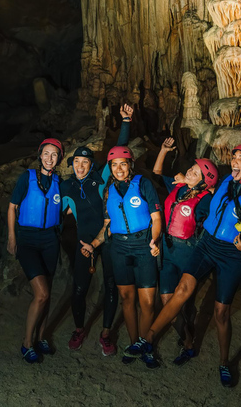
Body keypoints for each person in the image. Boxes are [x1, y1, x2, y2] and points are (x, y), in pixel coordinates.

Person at [141, 144, 241, 386]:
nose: (234, 161)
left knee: (221, 313)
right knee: (182, 290)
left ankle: (224, 363)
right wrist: (183, 178)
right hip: (207, 244)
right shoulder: (224, 182)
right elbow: (202, 183)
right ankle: (148, 338)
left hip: (232, 254)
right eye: (234, 157)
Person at [61, 104, 134, 356]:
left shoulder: (101, 178)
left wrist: (125, 122)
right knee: (80, 288)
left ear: (91, 164)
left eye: (85, 162)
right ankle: (79, 329)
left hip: (109, 240)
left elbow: (117, 153)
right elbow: (56, 210)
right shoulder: (67, 187)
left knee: (111, 286)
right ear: (72, 165)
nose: (80, 166)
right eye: (76, 162)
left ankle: (105, 334)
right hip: (84, 243)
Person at [81, 146, 162, 368]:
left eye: (123, 164)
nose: (118, 169)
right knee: (127, 298)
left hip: (143, 246)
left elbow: (156, 218)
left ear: (130, 164)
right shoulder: (109, 191)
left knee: (147, 302)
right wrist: (95, 244)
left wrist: (154, 241)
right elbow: (108, 225)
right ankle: (134, 343)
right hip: (119, 249)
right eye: (114, 165)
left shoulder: (143, 184)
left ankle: (147, 346)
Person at [151, 137, 218, 366]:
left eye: (195, 172)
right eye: (191, 168)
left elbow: (216, 216)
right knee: (167, 298)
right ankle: (186, 336)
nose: (189, 171)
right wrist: (163, 149)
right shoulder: (178, 186)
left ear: (203, 182)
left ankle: (188, 343)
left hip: (189, 253)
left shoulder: (207, 199)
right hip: (167, 250)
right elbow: (157, 171)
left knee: (185, 304)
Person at [7, 138, 65, 364]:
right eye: (46, 154)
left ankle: (41, 338)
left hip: (50, 240)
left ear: (59, 158)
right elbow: (12, 207)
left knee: (47, 293)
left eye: (54, 155)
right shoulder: (27, 178)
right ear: (40, 155)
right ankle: (27, 344)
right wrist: (12, 237)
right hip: (28, 240)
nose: (50, 158)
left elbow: (66, 206)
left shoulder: (60, 182)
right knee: (41, 294)